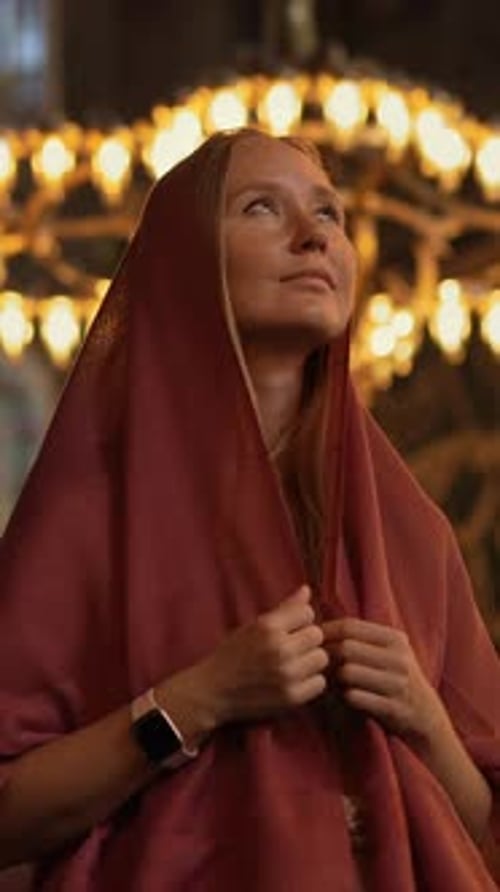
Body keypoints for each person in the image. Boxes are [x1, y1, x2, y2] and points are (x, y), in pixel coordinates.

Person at [0, 128, 498, 891]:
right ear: (185, 264)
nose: (313, 237)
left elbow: (485, 834)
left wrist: (424, 718)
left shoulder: (411, 530)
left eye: (328, 214)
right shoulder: (89, 513)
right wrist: (200, 698)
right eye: (263, 208)